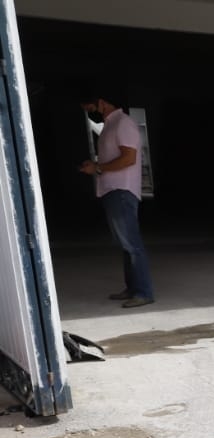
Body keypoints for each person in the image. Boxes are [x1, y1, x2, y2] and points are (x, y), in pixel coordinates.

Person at [79, 91, 155, 308]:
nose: (89, 114)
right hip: (112, 190)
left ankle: (143, 292)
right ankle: (133, 288)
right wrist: (96, 166)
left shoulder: (123, 124)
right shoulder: (110, 125)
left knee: (132, 243)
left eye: (90, 109)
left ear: (101, 102)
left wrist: (98, 168)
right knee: (125, 244)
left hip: (122, 191)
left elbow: (129, 158)